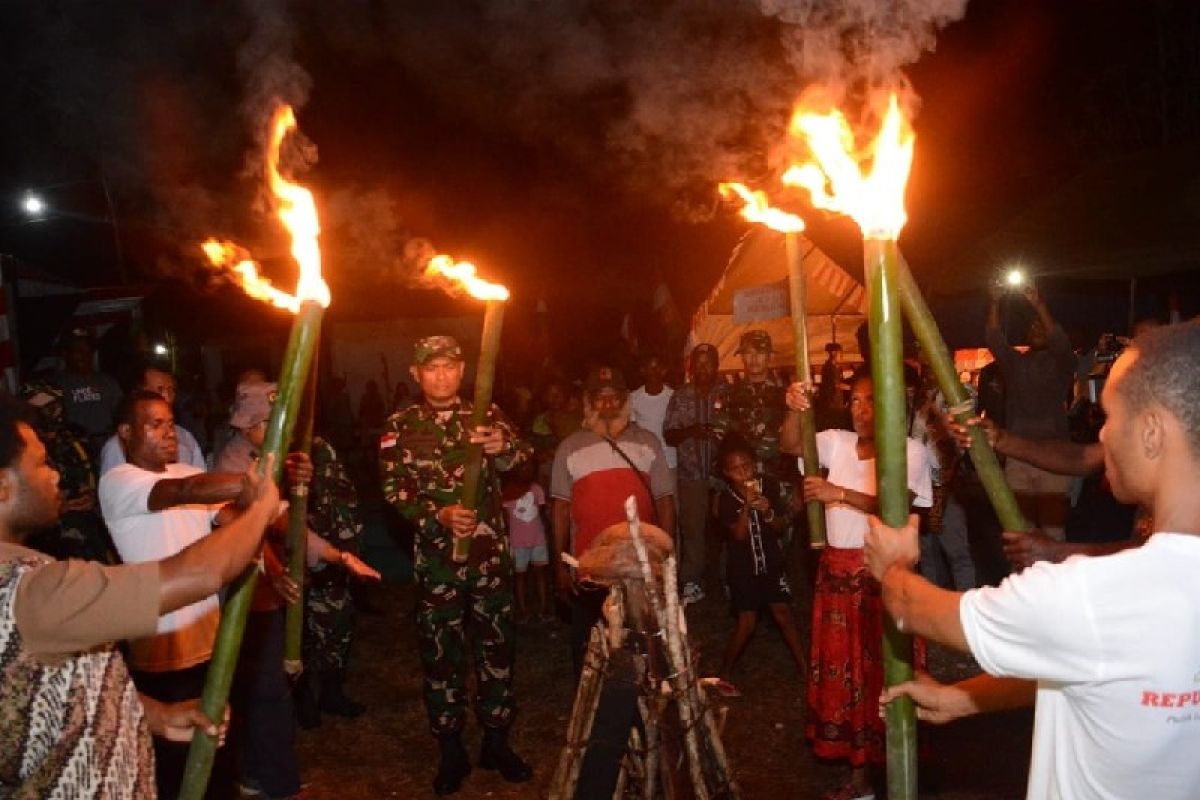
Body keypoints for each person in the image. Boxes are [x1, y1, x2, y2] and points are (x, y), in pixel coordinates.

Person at [867, 322, 1200, 800]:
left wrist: (894, 568)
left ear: (1151, 433)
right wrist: (964, 698)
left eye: (1109, 416)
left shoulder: (1093, 596)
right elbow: (1098, 666)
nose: (1102, 434)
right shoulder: (1122, 611)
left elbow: (920, 610)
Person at [0, 396, 281, 798]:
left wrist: (156, 715)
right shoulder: (31, 592)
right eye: (42, 463)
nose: (57, 475)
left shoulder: (31, 578)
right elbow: (198, 573)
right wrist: (259, 507)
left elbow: (66, 682)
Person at [379, 335, 533, 796]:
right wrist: (437, 515)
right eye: (431, 368)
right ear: (416, 373)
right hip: (438, 563)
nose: (441, 375)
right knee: (441, 652)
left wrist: (501, 447)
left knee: (496, 646)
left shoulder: (487, 415)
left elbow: (523, 460)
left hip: (488, 560)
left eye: (449, 366)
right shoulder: (401, 424)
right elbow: (393, 489)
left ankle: (496, 739)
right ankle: (449, 745)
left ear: (463, 370)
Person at [215, 382, 378, 799]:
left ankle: (261, 775)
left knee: (266, 692)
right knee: (263, 693)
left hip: (266, 596)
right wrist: (272, 570)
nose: (279, 428)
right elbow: (235, 525)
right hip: (243, 598)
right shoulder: (234, 464)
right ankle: (271, 781)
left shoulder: (268, 460)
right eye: (271, 422)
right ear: (251, 424)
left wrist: (337, 555)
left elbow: (288, 524)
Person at [781, 369, 932, 800]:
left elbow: (895, 507)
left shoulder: (909, 451)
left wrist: (837, 494)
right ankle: (861, 780)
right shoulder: (838, 442)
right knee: (847, 680)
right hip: (836, 575)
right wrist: (793, 408)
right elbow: (792, 444)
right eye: (855, 402)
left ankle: (897, 776)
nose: (862, 411)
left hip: (881, 576)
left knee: (882, 675)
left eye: (871, 401)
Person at [551, 363, 676, 676]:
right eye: (599, 397)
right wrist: (560, 563)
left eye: (614, 397)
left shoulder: (648, 442)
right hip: (588, 568)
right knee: (588, 648)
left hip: (640, 564)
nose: (607, 404)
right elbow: (560, 509)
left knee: (643, 644)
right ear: (588, 402)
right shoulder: (569, 447)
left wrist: (668, 555)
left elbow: (665, 502)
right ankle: (592, 710)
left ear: (625, 400)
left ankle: (644, 708)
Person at [713, 435, 806, 697]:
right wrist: (747, 506)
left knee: (784, 615)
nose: (743, 472)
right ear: (726, 473)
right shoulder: (725, 498)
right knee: (747, 622)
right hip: (743, 569)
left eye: (747, 466)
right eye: (736, 469)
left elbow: (778, 527)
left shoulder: (770, 486)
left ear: (755, 464)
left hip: (771, 563)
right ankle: (725, 673)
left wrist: (766, 511)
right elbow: (739, 535)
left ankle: (806, 670)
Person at [984, 283, 1076, 539]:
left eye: (1041, 326)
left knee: (1053, 529)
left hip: (1053, 453)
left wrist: (1038, 304)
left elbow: (1059, 339)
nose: (1036, 329)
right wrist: (995, 302)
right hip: (1018, 453)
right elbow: (994, 339)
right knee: (1020, 528)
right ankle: (1023, 576)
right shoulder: (1015, 363)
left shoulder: (1063, 362)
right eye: (1031, 326)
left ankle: (1054, 577)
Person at [296, 434, 371, 729]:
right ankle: (301, 698)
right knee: (299, 633)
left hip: (335, 552)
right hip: (302, 556)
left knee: (337, 624)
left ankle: (331, 693)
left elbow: (343, 499)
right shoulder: (283, 453)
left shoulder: (321, 447)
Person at [18, 379, 111, 563]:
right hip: (49, 537)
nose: (55, 411)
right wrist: (59, 506)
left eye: (56, 404)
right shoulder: (22, 447)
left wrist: (95, 496)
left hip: (91, 526)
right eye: (46, 406)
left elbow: (97, 472)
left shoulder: (76, 436)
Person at [663, 343, 721, 604]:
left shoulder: (727, 393)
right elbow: (669, 434)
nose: (704, 368)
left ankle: (728, 579)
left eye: (709, 362)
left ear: (716, 365)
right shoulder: (680, 396)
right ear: (691, 366)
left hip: (725, 475)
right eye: (699, 363)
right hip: (692, 474)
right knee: (693, 529)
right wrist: (691, 431)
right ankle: (692, 581)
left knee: (728, 528)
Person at [99, 362, 207, 475]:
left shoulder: (186, 438)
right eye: (159, 390)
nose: (166, 397)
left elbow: (201, 482)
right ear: (140, 392)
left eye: (171, 390)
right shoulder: (119, 446)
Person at [711, 329, 787, 485]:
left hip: (778, 479)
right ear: (742, 357)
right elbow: (719, 441)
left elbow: (797, 441)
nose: (754, 358)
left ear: (769, 356)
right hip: (741, 480)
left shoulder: (786, 395)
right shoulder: (729, 395)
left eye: (760, 352)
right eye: (748, 353)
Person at [52, 331, 123, 457]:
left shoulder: (107, 381)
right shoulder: (56, 385)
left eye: (87, 350)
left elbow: (122, 413)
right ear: (65, 354)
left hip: (108, 449)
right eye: (78, 351)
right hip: (76, 454)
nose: (83, 355)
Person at [501, 459, 550, 623]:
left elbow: (540, 513)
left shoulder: (536, 489)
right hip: (518, 542)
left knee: (540, 574)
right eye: (522, 467)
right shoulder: (508, 492)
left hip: (537, 539)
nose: (526, 470)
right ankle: (523, 610)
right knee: (520, 577)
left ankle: (543, 608)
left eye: (529, 466)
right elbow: (507, 519)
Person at [629, 351, 677, 480]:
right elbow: (632, 431)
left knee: (671, 498)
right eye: (649, 368)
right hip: (645, 462)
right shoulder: (633, 398)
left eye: (656, 368)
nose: (653, 372)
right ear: (643, 371)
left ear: (663, 371)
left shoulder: (674, 397)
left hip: (669, 461)